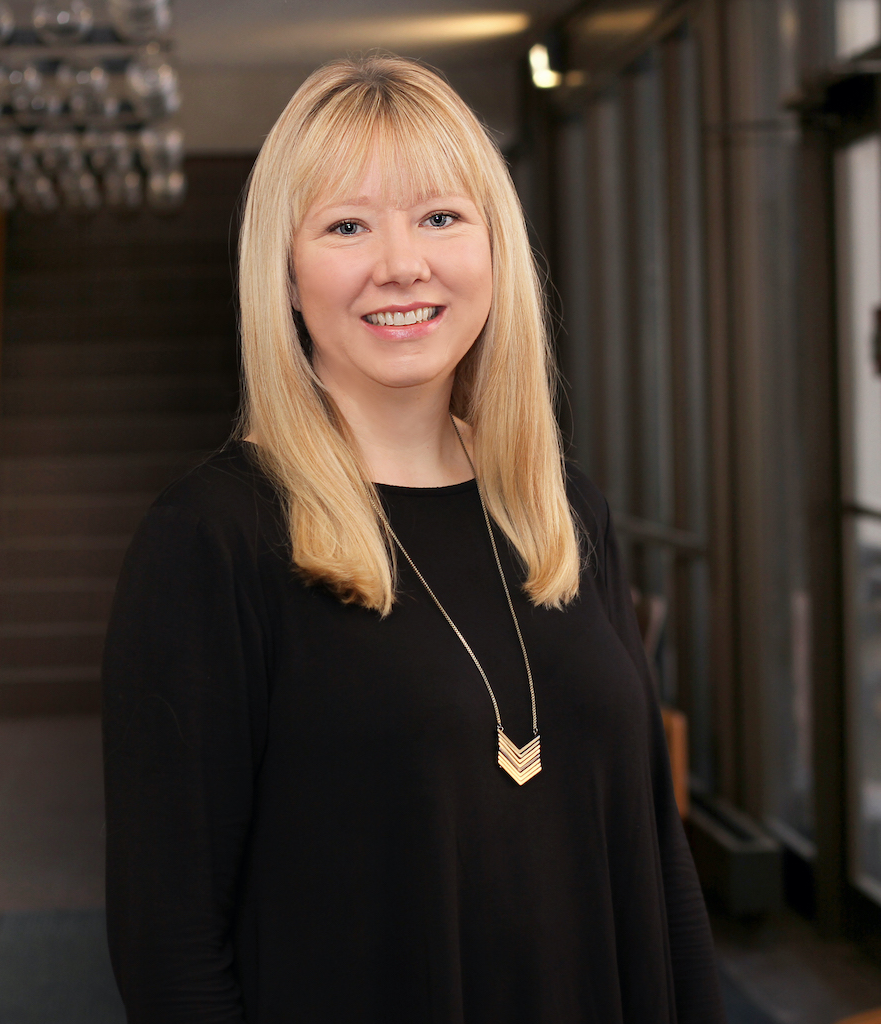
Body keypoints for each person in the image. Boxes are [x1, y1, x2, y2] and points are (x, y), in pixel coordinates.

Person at [102, 54, 724, 1024]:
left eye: (440, 216)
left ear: (493, 248)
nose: (403, 263)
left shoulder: (562, 510)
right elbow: (170, 945)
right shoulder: (211, 543)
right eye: (348, 225)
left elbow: (657, 855)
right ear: (287, 271)